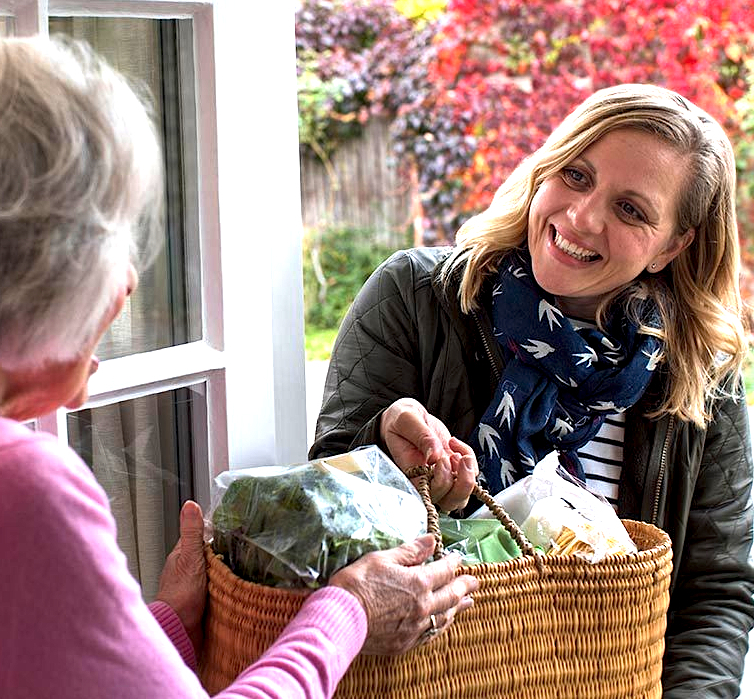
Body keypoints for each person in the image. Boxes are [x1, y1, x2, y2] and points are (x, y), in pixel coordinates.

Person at [0, 34, 479, 699]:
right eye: (114, 233)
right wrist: (348, 611)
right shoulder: (4, 485)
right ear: (32, 268)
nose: (129, 281)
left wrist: (165, 625)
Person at [311, 83, 754, 697]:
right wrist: (384, 451)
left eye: (631, 210)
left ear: (673, 245)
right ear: (546, 167)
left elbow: (714, 593)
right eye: (576, 175)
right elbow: (320, 515)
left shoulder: (701, 374)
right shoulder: (414, 298)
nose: (582, 217)